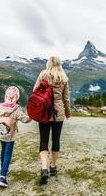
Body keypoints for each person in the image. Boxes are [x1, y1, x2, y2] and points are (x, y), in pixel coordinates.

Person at [33, 56, 71, 185]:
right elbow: (66, 98)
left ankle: (44, 168)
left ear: (48, 63)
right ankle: (53, 166)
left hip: (43, 111)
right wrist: (68, 112)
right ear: (60, 64)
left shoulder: (43, 74)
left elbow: (35, 91)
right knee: (56, 140)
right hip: (58, 113)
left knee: (43, 140)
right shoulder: (63, 77)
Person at [0, 86, 32, 188]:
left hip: (1, 133)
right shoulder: (16, 109)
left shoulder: (0, 107)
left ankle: (3, 170)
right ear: (17, 97)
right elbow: (25, 120)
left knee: (3, 151)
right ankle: (2, 177)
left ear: (6, 96)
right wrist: (33, 115)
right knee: (8, 153)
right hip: (11, 135)